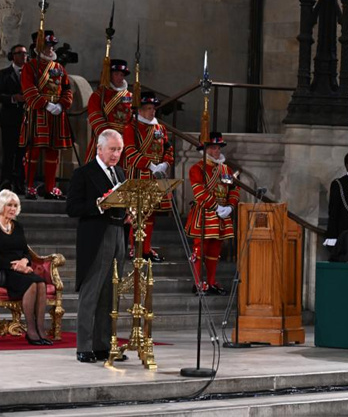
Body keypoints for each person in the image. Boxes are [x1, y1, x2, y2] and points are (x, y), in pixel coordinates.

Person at [66, 129, 129, 363]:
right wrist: (98, 205)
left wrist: (128, 214)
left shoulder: (120, 173)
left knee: (111, 293)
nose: (116, 154)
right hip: (96, 236)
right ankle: (84, 346)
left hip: (118, 233)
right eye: (112, 149)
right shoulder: (84, 173)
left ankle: (103, 345)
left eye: (119, 150)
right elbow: (72, 208)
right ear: (99, 149)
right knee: (92, 291)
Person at [0, 189, 51, 345]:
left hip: (21, 268)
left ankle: (40, 329)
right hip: (2, 270)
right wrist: (15, 267)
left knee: (40, 282)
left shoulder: (18, 226)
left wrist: (25, 262)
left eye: (15, 205)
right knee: (32, 283)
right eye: (9, 205)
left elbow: (26, 252)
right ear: (1, 206)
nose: (13, 209)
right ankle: (31, 330)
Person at [184, 131, 240, 295]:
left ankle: (211, 281)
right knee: (199, 250)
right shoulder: (197, 169)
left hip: (222, 214)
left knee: (215, 250)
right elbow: (199, 193)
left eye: (219, 147)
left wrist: (230, 206)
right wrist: (216, 207)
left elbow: (234, 190)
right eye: (214, 148)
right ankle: (198, 282)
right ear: (205, 149)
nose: (217, 151)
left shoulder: (226, 169)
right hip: (204, 213)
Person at [20, 30, 73, 200]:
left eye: (52, 46)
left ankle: (50, 187)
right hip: (38, 112)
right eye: (47, 46)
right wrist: (45, 104)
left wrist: (62, 104)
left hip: (56, 114)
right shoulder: (30, 66)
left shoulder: (59, 68)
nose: (50, 49)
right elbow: (28, 90)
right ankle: (29, 186)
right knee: (33, 151)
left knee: (53, 152)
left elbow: (67, 90)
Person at [122, 91, 173, 263]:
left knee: (151, 214)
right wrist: (150, 165)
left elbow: (168, 149)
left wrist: (165, 164)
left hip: (156, 176)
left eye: (154, 108)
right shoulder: (131, 128)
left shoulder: (160, 128)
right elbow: (129, 152)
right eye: (149, 108)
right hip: (139, 174)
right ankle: (134, 248)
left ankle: (146, 248)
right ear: (141, 110)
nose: (153, 112)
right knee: (137, 213)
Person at [85, 59, 133, 163]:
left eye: (122, 75)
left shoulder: (130, 97)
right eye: (116, 74)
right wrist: (110, 137)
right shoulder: (98, 95)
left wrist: (128, 136)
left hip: (125, 141)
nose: (120, 77)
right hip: (105, 139)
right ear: (109, 75)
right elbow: (95, 118)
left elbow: (133, 119)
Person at [0, 44, 27, 193]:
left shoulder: (31, 74)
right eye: (20, 53)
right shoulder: (4, 73)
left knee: (22, 153)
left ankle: (20, 182)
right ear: (12, 56)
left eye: (25, 53)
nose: (23, 56)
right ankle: (5, 181)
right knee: (9, 152)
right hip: (9, 118)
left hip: (25, 119)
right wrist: (14, 98)